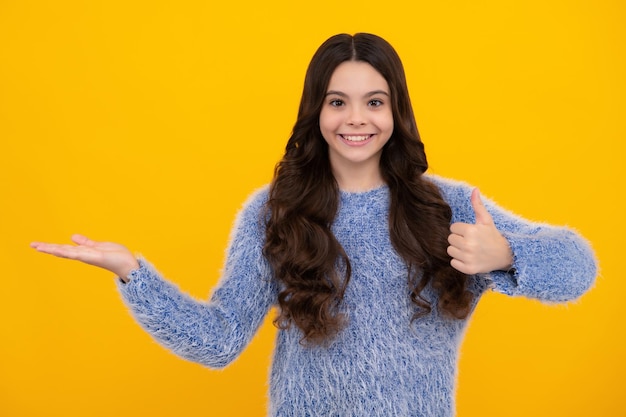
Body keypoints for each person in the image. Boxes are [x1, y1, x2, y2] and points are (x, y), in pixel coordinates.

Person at [30, 33, 597, 416]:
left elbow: (579, 265)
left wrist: (506, 256)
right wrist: (133, 274)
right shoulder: (275, 210)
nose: (356, 119)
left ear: (396, 113)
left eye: (374, 102)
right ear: (316, 111)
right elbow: (220, 339)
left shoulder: (444, 207)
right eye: (337, 102)